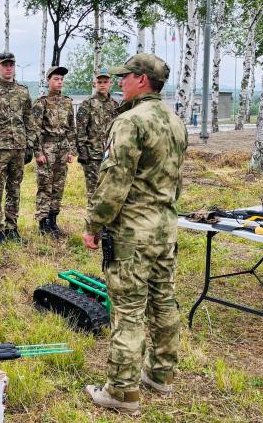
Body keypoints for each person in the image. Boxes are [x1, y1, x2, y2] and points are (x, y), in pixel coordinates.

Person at [82, 53, 187, 415]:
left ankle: (122, 391)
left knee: (128, 310)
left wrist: (94, 224)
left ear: (142, 80)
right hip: (164, 227)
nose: (120, 82)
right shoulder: (174, 121)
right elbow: (176, 181)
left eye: (125, 76)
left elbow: (114, 182)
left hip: (132, 233)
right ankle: (161, 373)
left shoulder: (130, 121)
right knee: (163, 301)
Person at [0, 52, 36, 244]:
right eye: (5, 65)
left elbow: (29, 119)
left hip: (19, 148)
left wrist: (30, 145)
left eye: (11, 64)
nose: (8, 68)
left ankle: (12, 228)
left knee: (14, 189)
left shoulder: (23, 91)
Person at [32, 66, 76, 237]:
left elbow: (71, 128)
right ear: (48, 80)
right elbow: (35, 129)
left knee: (58, 186)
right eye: (56, 79)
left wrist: (72, 150)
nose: (59, 82)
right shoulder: (41, 102)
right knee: (45, 186)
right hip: (47, 147)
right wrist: (38, 152)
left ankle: (53, 220)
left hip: (62, 148)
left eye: (61, 79)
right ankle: (43, 223)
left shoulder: (67, 102)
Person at [75, 68, 119, 236]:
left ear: (110, 84)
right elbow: (81, 129)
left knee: (109, 191)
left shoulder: (115, 105)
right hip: (92, 156)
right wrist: (82, 151)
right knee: (93, 193)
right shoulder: (87, 104)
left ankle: (106, 226)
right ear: (94, 84)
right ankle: (93, 229)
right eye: (99, 82)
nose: (102, 85)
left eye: (105, 82)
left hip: (110, 156)